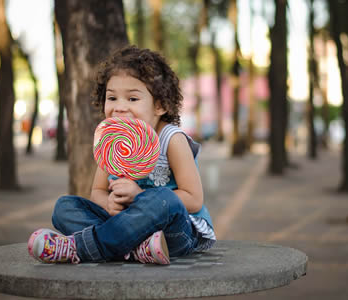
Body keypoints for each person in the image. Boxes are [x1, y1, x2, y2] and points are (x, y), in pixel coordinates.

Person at [27, 45, 216, 264]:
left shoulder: (171, 139)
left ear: (160, 105)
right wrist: (108, 203)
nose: (119, 107)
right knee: (65, 208)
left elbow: (193, 199)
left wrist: (139, 196)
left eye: (132, 99)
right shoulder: (111, 142)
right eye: (112, 98)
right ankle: (135, 249)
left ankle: (79, 248)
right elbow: (97, 191)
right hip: (128, 227)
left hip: (174, 233)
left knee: (163, 198)